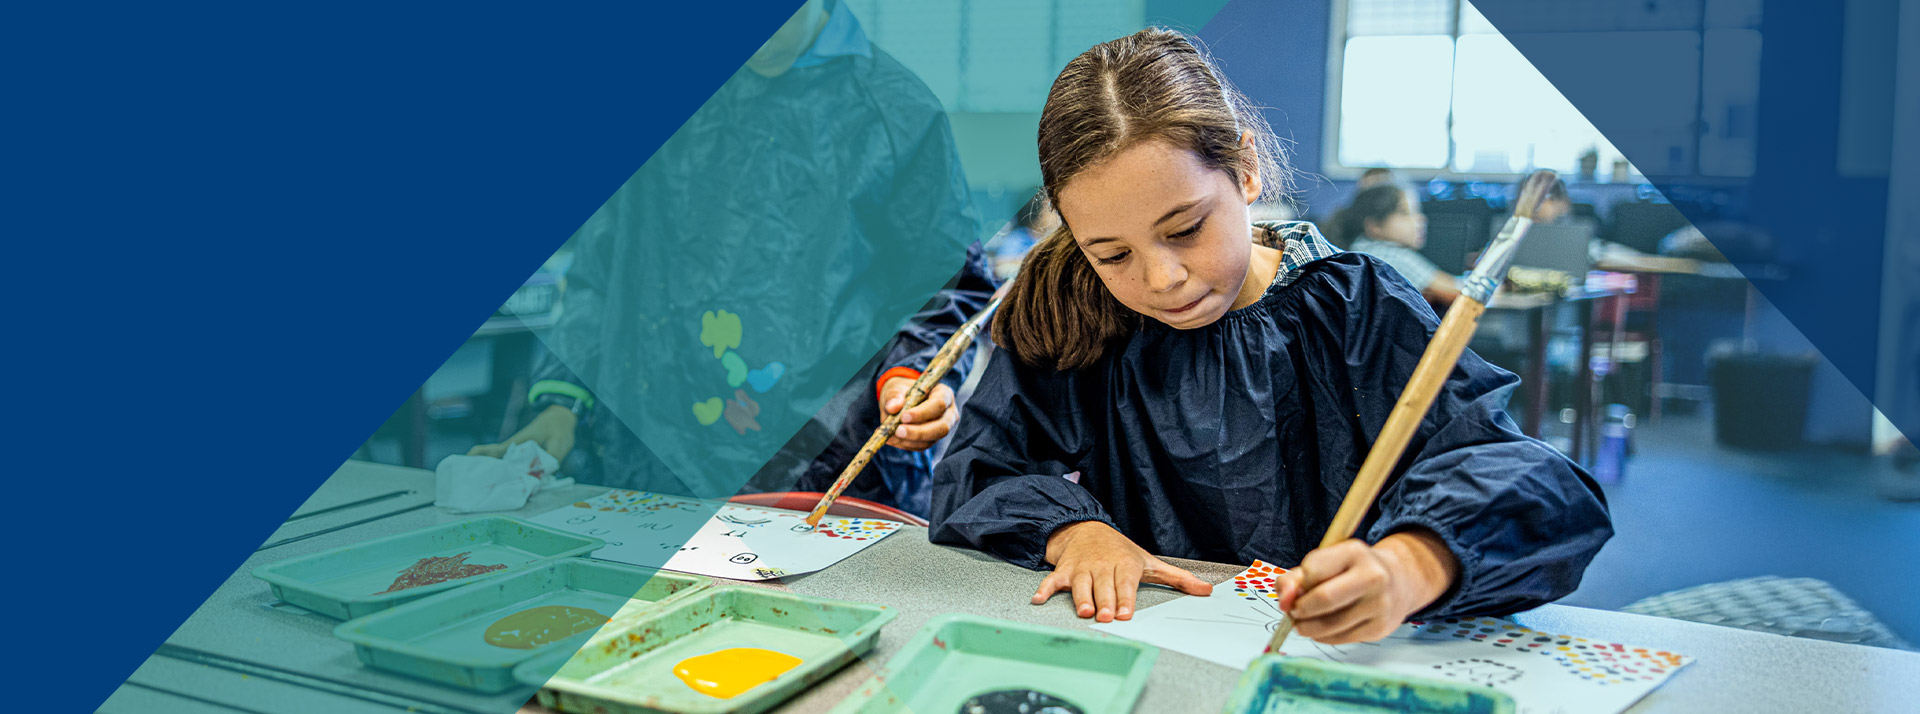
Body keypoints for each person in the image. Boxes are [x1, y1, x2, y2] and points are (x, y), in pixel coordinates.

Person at [928, 28, 1611, 644]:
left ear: (1246, 170)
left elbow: (1531, 484)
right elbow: (978, 474)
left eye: (1186, 229)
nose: (1162, 279)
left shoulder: (1356, 306)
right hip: (1152, 647)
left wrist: (1410, 566)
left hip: (1349, 658)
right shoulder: (1078, 312)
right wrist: (1074, 532)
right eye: (1112, 254)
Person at [469, 0, 995, 518]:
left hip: (828, 471)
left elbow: (948, 282)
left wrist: (909, 375)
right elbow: (604, 272)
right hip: (653, 466)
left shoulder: (896, 111)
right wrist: (561, 403)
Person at [1334, 184, 1460, 308]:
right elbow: (1458, 294)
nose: (1421, 219)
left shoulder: (1359, 249)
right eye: (1405, 213)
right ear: (1374, 226)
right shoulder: (1390, 256)